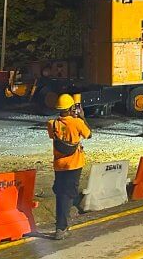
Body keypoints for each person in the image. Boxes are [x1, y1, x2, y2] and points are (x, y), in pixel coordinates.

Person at [47, 93, 91, 240]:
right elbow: (88, 134)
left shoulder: (52, 124)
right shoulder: (77, 122)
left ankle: (62, 224)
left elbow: (54, 136)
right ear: (72, 108)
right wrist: (82, 116)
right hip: (74, 164)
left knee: (61, 194)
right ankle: (61, 228)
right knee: (67, 194)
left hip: (59, 165)